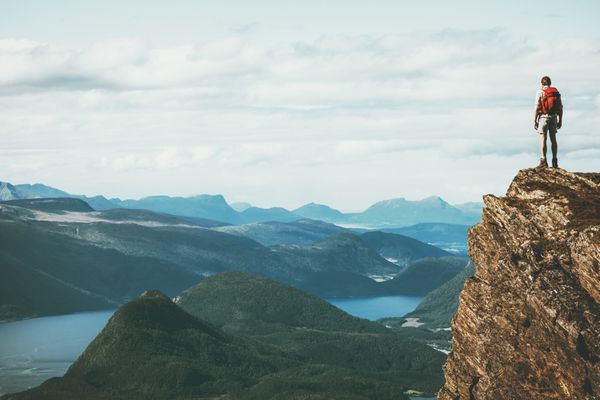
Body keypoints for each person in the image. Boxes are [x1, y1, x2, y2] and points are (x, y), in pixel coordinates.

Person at [534, 76, 563, 168]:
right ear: (550, 83)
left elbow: (536, 107)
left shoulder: (540, 92)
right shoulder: (555, 93)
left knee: (543, 139)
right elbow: (561, 107)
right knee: (553, 139)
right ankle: (555, 160)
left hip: (543, 117)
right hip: (554, 117)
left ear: (542, 83)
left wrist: (535, 120)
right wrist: (560, 120)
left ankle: (543, 160)